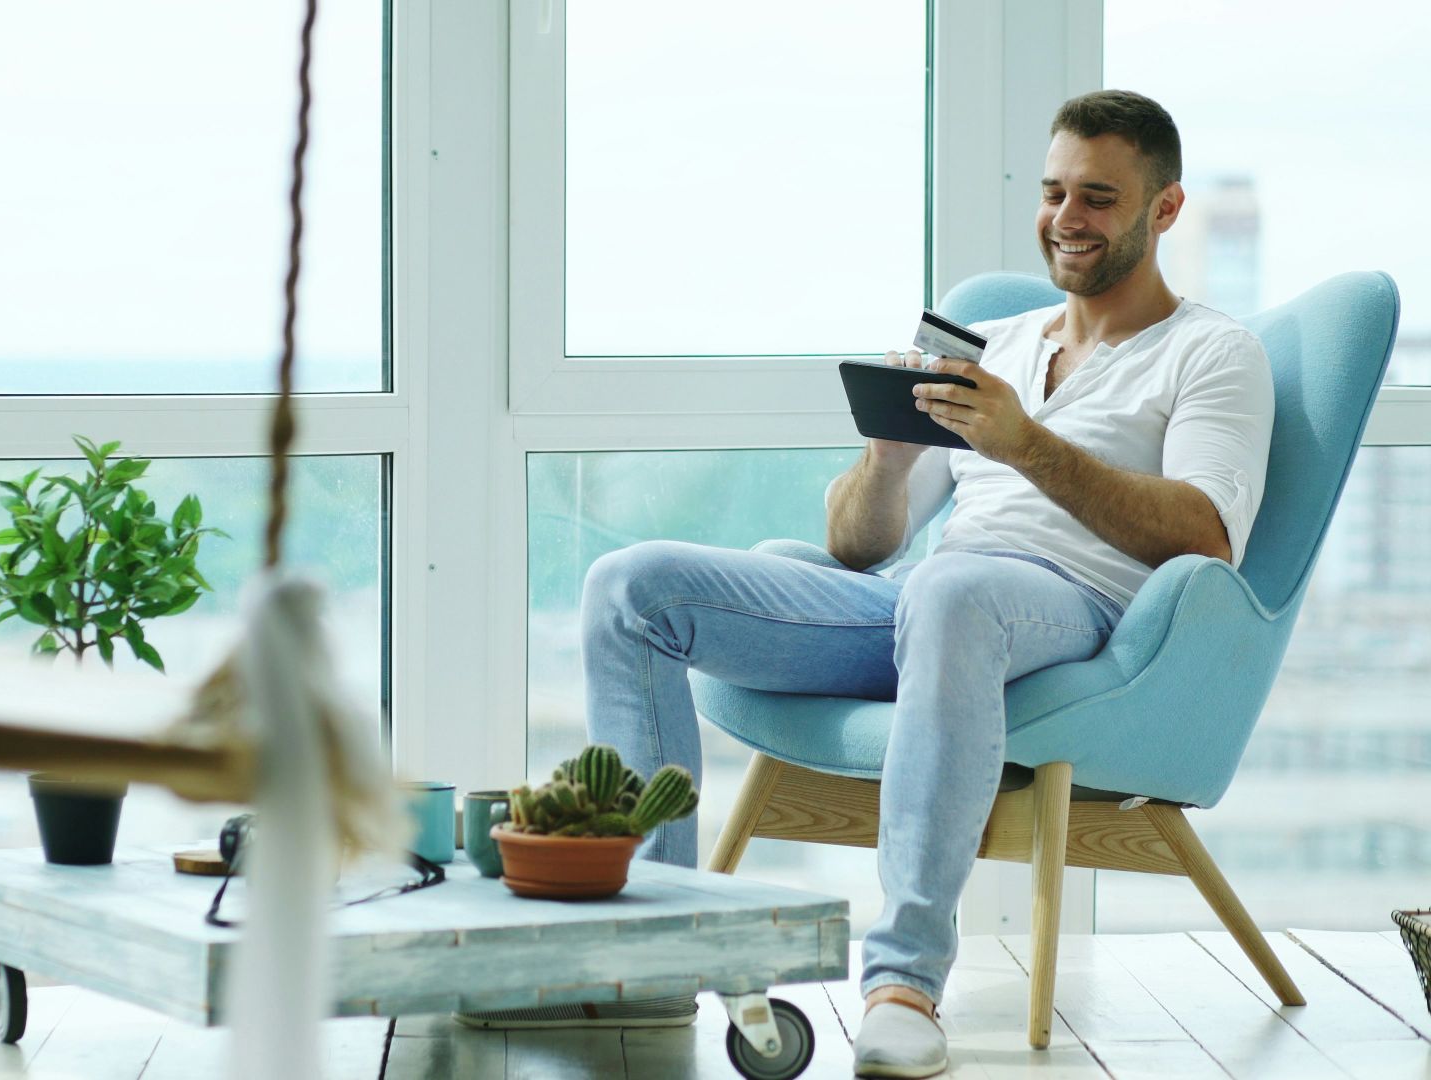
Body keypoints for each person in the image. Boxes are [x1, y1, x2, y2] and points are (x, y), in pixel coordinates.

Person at [458, 90, 1275, 1078]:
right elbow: (857, 548)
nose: (1067, 218)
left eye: (1099, 197)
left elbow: (1205, 533)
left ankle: (902, 986)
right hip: (921, 608)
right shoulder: (1000, 345)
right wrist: (887, 461)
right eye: (1055, 191)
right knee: (630, 587)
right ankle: (651, 946)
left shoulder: (1212, 352)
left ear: (1166, 208)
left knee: (951, 593)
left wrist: (1026, 444)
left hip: (1075, 617)